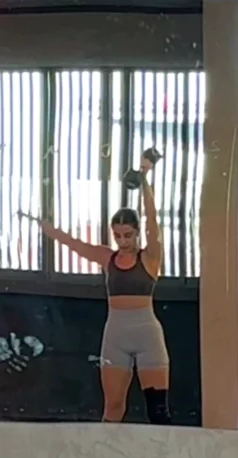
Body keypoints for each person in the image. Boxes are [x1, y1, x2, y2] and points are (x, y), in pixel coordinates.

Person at [19, 153, 170, 424]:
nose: (122, 241)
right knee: (113, 407)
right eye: (117, 235)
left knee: (157, 410)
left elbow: (152, 221)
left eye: (128, 235)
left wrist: (144, 181)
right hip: (115, 336)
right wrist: (47, 229)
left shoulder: (150, 258)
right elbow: (74, 244)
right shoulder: (107, 258)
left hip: (147, 334)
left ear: (136, 232)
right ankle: (105, 451)